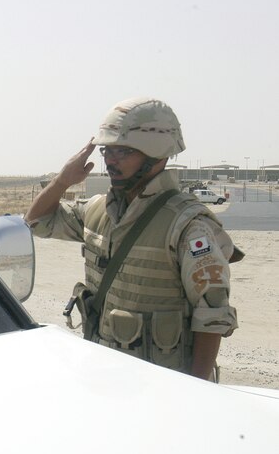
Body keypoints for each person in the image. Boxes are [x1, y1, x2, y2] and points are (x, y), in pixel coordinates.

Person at [25, 97, 240, 380]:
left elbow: (211, 316)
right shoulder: (98, 211)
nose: (110, 160)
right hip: (103, 373)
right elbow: (36, 222)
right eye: (107, 151)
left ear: (156, 155)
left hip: (163, 384)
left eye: (123, 152)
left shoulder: (188, 225)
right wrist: (62, 180)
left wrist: (198, 392)